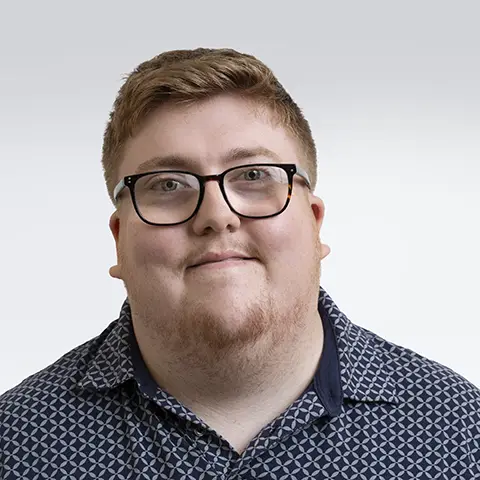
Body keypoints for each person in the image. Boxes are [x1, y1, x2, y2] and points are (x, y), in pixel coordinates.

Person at [1, 48, 478, 479]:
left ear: (314, 224)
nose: (216, 215)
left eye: (253, 175)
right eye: (168, 184)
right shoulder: (14, 445)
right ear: (119, 239)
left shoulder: (462, 434)